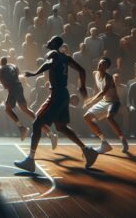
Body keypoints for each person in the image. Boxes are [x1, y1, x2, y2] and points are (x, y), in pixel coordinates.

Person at [15, 36, 98, 172]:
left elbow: (50, 63)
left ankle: (30, 160)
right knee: (61, 126)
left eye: (50, 40)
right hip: (64, 94)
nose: (47, 41)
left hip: (57, 94)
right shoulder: (66, 57)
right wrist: (82, 86)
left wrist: (35, 73)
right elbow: (82, 71)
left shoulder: (52, 53)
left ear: (55, 44)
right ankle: (87, 150)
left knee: (37, 123)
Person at [0, 56, 38, 141]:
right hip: (19, 87)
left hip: (13, 88)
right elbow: (18, 74)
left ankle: (22, 128)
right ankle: (38, 122)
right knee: (25, 109)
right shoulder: (14, 66)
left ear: (0, 62)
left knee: (7, 109)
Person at [83, 57, 129, 154]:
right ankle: (104, 142)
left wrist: (90, 101)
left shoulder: (108, 78)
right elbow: (97, 89)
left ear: (106, 67)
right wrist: (90, 99)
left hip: (114, 102)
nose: (100, 64)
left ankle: (123, 139)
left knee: (109, 117)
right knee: (86, 117)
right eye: (100, 63)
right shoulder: (95, 74)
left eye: (103, 64)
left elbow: (103, 92)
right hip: (104, 101)